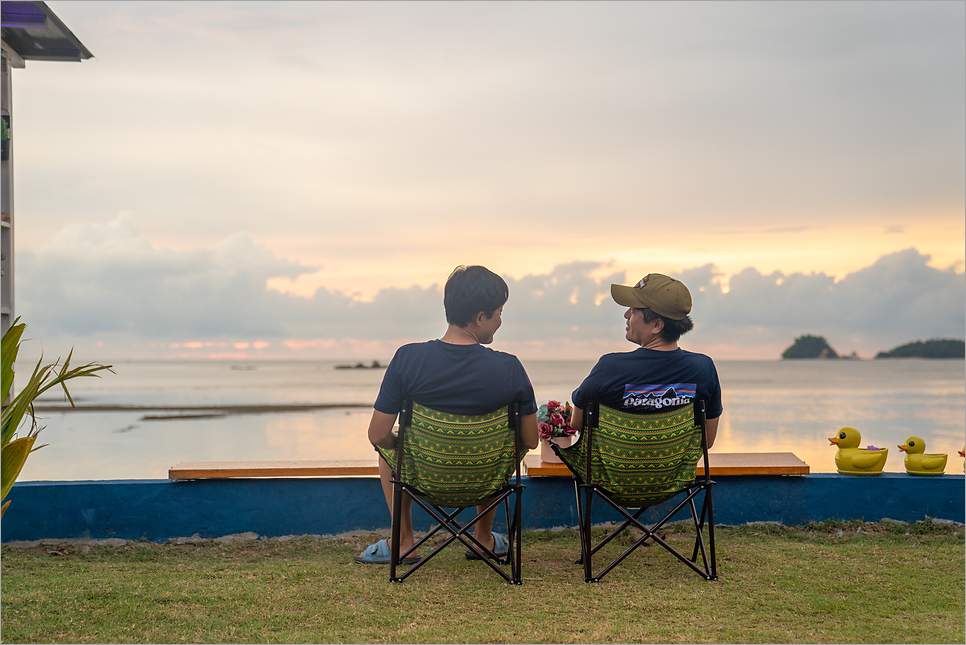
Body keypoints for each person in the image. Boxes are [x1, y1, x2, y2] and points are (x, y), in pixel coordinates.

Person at [354, 265, 540, 565]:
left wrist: (403, 444)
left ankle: (403, 542)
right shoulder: (510, 368)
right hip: (486, 480)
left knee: (390, 448)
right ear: (480, 317)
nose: (500, 321)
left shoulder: (407, 359)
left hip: (424, 479)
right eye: (499, 312)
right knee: (510, 445)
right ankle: (483, 538)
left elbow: (376, 435)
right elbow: (530, 440)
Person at [569, 273, 721, 447]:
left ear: (657, 325)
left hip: (615, 474)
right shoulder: (703, 369)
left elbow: (577, 424)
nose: (626, 314)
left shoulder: (609, 368)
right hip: (677, 474)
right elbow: (706, 440)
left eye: (633, 310)